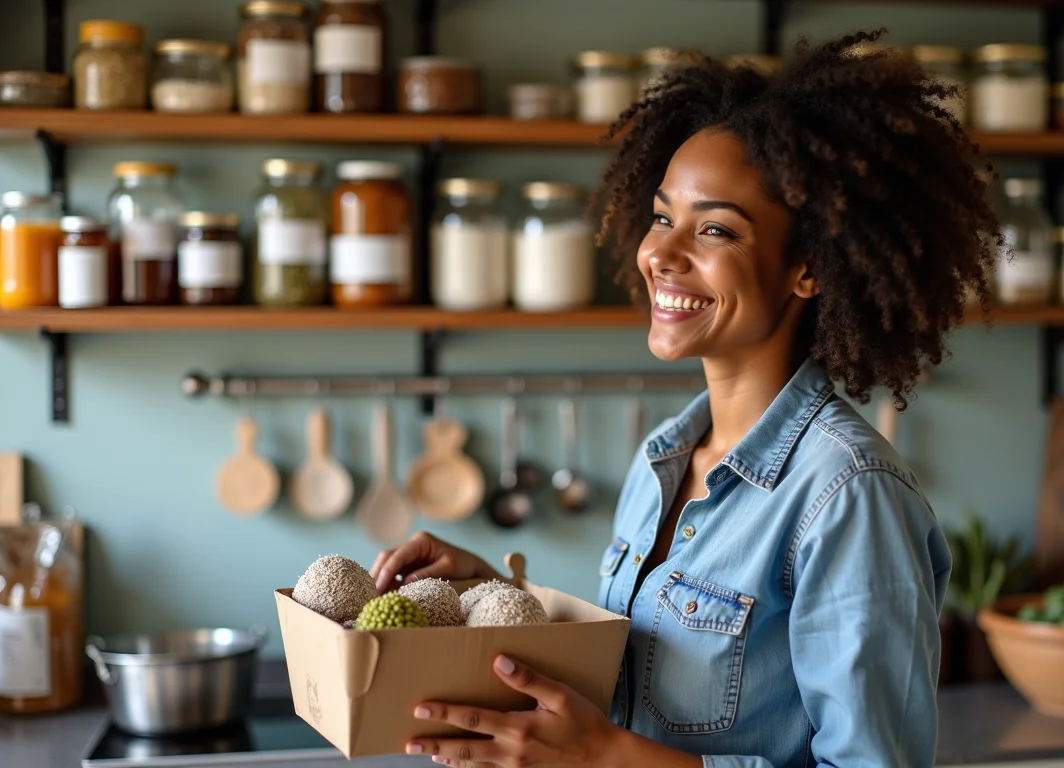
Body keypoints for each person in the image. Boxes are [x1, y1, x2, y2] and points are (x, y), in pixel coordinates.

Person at [369, 29, 1001, 768]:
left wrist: (606, 758)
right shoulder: (664, 456)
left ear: (808, 268)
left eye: (715, 230)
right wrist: (489, 594)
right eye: (664, 216)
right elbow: (645, 682)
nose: (661, 255)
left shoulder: (849, 497)